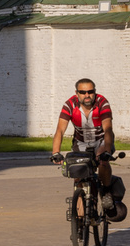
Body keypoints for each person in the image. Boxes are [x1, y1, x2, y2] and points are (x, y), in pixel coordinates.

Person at [50, 78, 117, 214]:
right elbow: (60, 130)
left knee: (102, 161)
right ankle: (79, 223)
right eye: (83, 92)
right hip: (80, 143)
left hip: (101, 140)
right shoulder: (70, 105)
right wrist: (55, 152)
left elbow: (108, 130)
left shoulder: (102, 103)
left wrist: (107, 151)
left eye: (90, 92)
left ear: (95, 92)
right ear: (77, 93)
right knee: (78, 175)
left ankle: (106, 192)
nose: (87, 95)